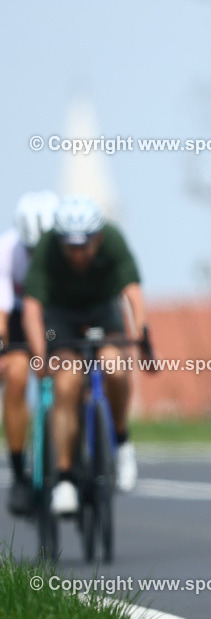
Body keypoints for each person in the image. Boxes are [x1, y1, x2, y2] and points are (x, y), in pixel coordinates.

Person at [22, 195, 157, 514]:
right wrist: (40, 357)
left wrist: (142, 336)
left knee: (114, 366)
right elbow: (31, 309)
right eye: (71, 246)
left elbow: (132, 293)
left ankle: (122, 443)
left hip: (102, 312)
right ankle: (66, 477)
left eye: (85, 246)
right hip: (60, 319)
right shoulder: (47, 249)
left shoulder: (113, 240)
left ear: (98, 238)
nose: (78, 254)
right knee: (66, 383)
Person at [2, 191, 59, 515]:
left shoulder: (65, 250)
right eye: (31, 249)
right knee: (16, 374)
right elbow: (2, 311)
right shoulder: (6, 250)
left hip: (55, 317)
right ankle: (18, 470)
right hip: (18, 321)